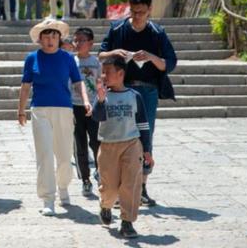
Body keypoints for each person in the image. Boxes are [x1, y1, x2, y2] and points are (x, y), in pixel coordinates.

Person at [99, 0, 177, 206]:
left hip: (147, 92)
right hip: (120, 90)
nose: (137, 16)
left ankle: (141, 187)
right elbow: (101, 54)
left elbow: (169, 63)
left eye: (141, 12)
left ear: (150, 10)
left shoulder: (157, 33)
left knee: (145, 136)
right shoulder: (118, 29)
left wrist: (152, 57)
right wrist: (118, 52)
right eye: (133, 12)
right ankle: (117, 188)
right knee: (118, 136)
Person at [17, 19, 91, 216]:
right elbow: (25, 86)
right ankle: (48, 198)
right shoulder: (32, 58)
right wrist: (21, 110)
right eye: (47, 37)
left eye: (54, 36)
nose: (50, 40)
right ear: (40, 39)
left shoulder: (67, 58)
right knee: (44, 155)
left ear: (60, 38)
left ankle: (63, 187)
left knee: (65, 155)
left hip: (64, 110)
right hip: (40, 110)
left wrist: (85, 101)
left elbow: (78, 82)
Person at [92, 55, 153, 239]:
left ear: (120, 73)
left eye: (107, 72)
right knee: (109, 187)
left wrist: (147, 149)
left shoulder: (135, 96)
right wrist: (101, 100)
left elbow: (143, 124)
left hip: (132, 144)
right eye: (102, 72)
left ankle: (127, 222)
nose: (103, 76)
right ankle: (106, 205)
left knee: (130, 184)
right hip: (108, 145)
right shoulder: (103, 95)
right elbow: (97, 117)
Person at [71, 27, 101, 195]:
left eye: (82, 40)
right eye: (76, 40)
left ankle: (100, 171)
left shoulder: (96, 62)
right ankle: (85, 179)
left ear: (90, 43)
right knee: (79, 144)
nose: (78, 43)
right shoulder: (70, 61)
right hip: (75, 107)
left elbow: (99, 83)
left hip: (93, 107)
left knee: (97, 142)